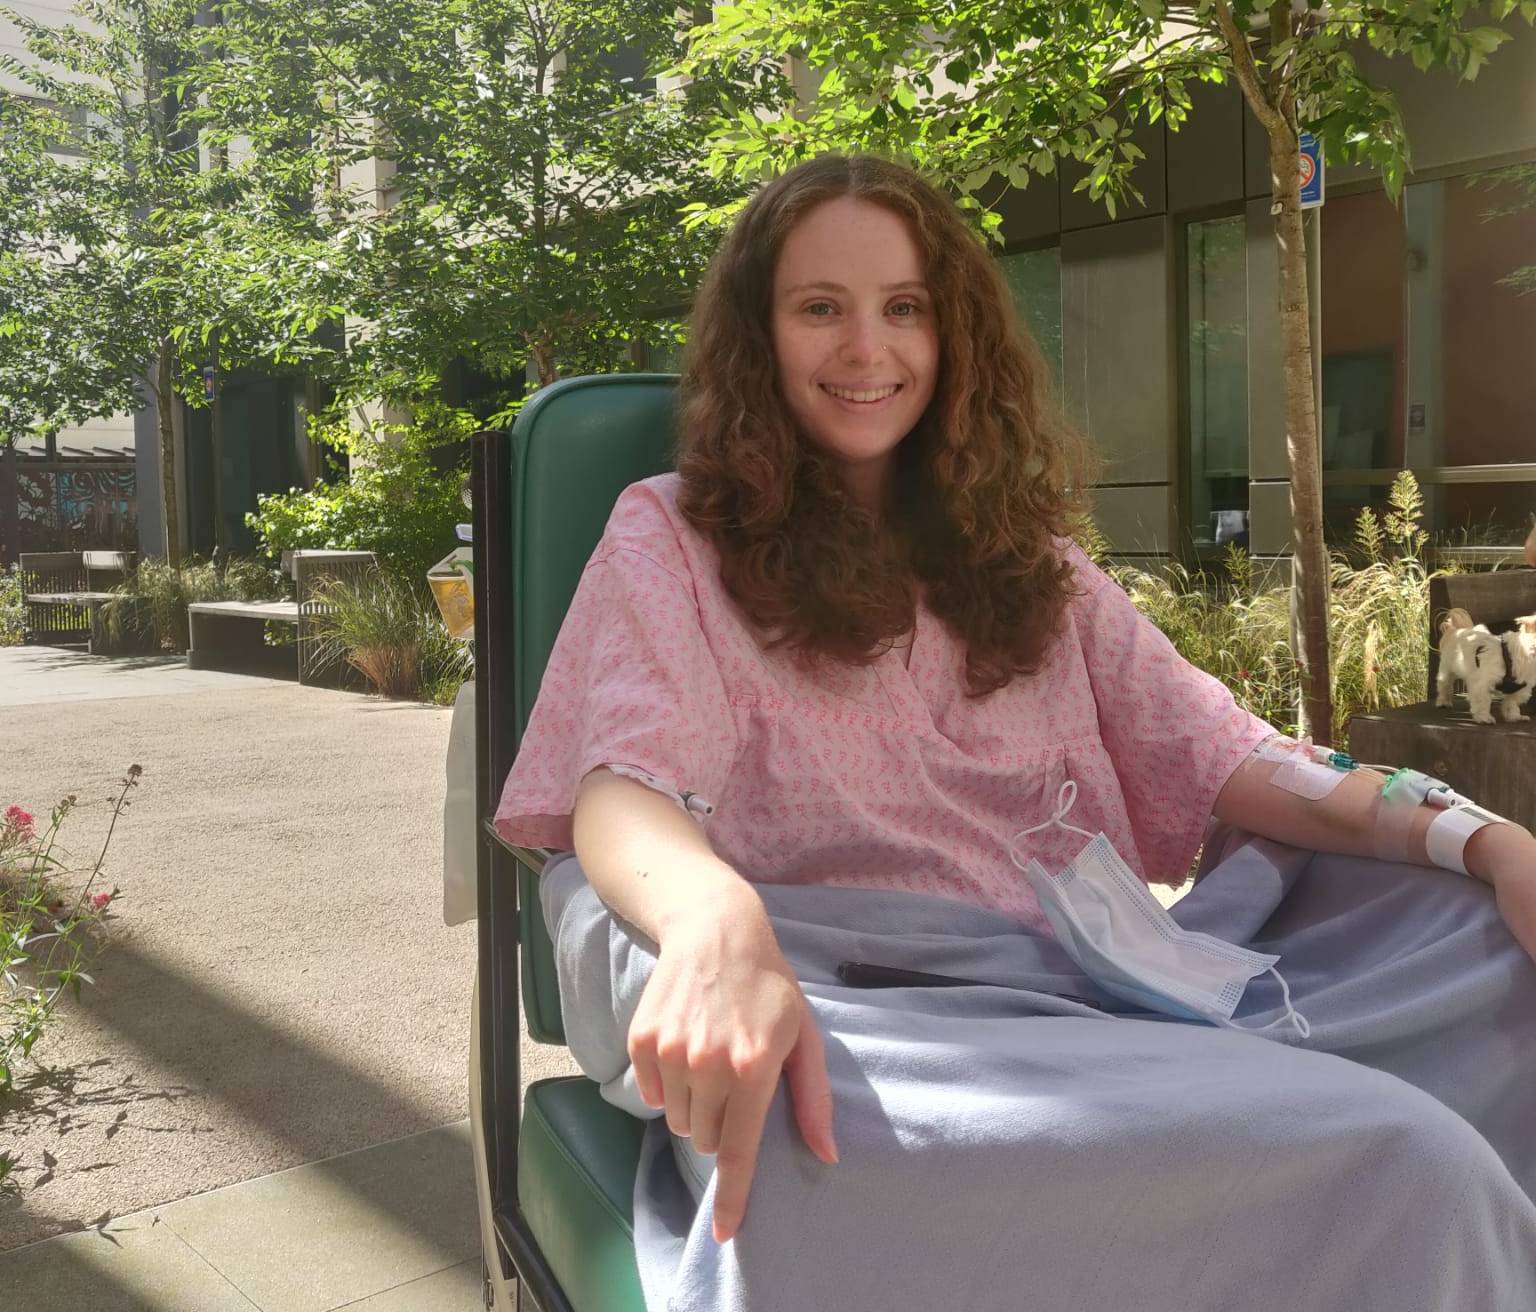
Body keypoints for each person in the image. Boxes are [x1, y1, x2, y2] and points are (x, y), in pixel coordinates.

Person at [495, 154, 1536, 1305]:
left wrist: (1481, 840)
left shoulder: (1034, 568)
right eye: (819, 309)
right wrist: (714, 920)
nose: (866, 349)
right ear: (757, 333)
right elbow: (624, 783)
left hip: (1070, 986)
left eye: (904, 309)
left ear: (955, 338)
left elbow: (1234, 755)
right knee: (1414, 1163)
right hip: (848, 1007)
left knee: (1491, 939)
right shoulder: (673, 538)